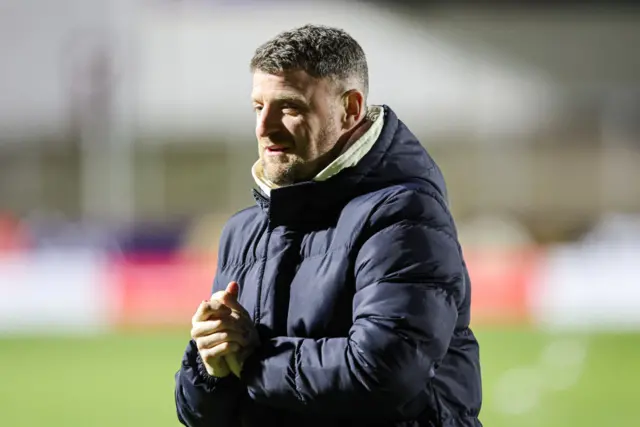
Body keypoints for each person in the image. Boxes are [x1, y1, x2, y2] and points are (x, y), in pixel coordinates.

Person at [174, 24, 482, 427]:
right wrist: (211, 364)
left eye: (289, 107)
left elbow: (382, 372)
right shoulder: (242, 232)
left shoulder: (404, 215)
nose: (264, 128)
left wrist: (250, 357)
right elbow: (202, 415)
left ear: (351, 109)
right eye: (257, 107)